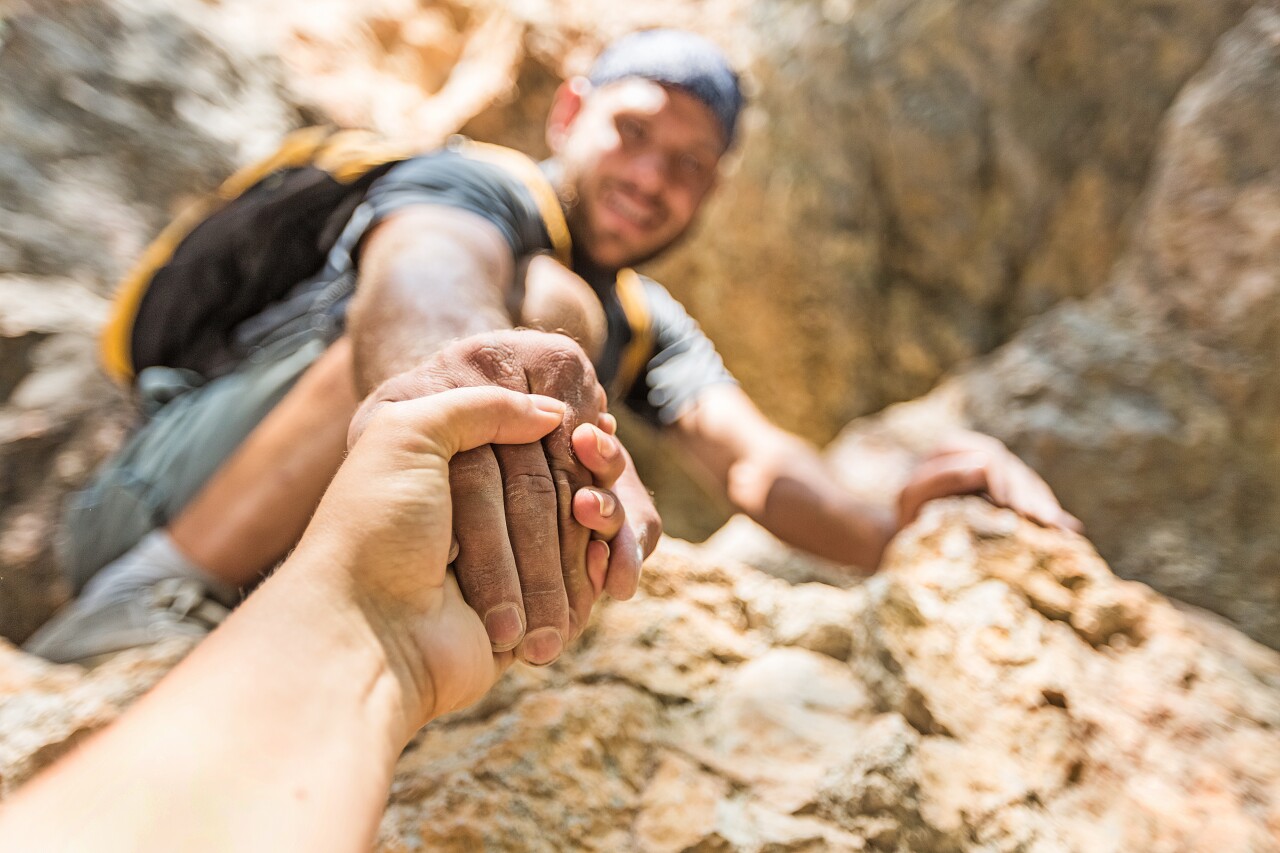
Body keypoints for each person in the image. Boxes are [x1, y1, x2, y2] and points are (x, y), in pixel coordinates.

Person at [24, 29, 1080, 668]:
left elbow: (754, 462)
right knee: (535, 316)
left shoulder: (647, 320)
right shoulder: (472, 187)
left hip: (301, 522)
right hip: (154, 504)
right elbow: (423, 278)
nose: (652, 178)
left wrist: (900, 520)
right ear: (570, 111)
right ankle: (151, 597)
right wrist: (465, 379)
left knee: (555, 320)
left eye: (688, 166)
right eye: (634, 133)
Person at [0, 387, 575, 852]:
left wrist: (388, 636)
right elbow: (427, 270)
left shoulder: (648, 332)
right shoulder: (493, 255)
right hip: (144, 555)